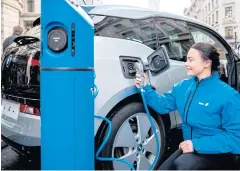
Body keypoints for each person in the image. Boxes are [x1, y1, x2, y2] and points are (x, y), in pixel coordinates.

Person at [135, 42, 240, 170]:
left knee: (183, 165)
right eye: (186, 60)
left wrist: (196, 144)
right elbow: (163, 105)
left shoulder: (228, 95)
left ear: (207, 63)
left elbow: (236, 138)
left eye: (191, 60)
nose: (186, 64)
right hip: (190, 146)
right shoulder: (183, 86)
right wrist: (145, 87)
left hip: (218, 152)